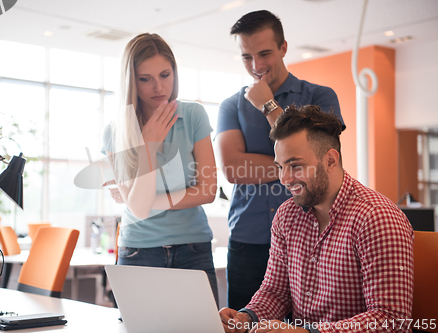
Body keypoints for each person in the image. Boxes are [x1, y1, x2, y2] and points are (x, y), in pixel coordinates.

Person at [219, 105, 414, 333]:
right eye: (280, 167)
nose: (284, 179)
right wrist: (246, 318)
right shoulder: (286, 216)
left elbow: (391, 319)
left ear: (330, 161)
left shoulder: (376, 218)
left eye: (295, 165)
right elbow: (276, 292)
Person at [215, 10, 345, 310]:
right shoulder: (230, 106)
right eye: (247, 57)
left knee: (300, 324)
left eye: (264, 54)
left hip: (311, 234)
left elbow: (323, 160)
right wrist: (298, 162)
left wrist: (268, 106)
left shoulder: (321, 96)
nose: (256, 66)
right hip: (249, 237)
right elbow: (234, 169)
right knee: (244, 323)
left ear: (284, 47)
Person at [101, 33, 219, 305]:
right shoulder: (115, 132)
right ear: (131, 81)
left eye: (165, 75)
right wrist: (149, 145)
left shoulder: (193, 115)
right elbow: (138, 210)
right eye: (146, 79)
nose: (158, 87)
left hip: (193, 247)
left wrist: (146, 201)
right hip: (139, 252)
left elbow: (208, 191)